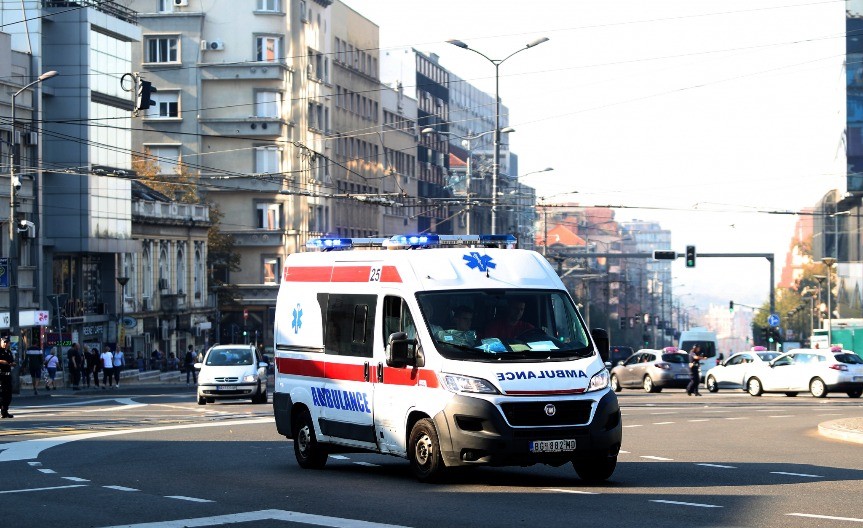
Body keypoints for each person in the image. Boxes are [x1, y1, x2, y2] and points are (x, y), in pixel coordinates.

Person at [0, 336, 16, 418]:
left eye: (7, 343)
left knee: (8, 395)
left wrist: (13, 363)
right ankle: (2, 410)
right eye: (4, 342)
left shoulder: (9, 352)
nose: (5, 344)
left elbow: (12, 361)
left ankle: (5, 411)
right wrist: (2, 361)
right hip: (1, 376)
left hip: (7, 375)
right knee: (1, 394)